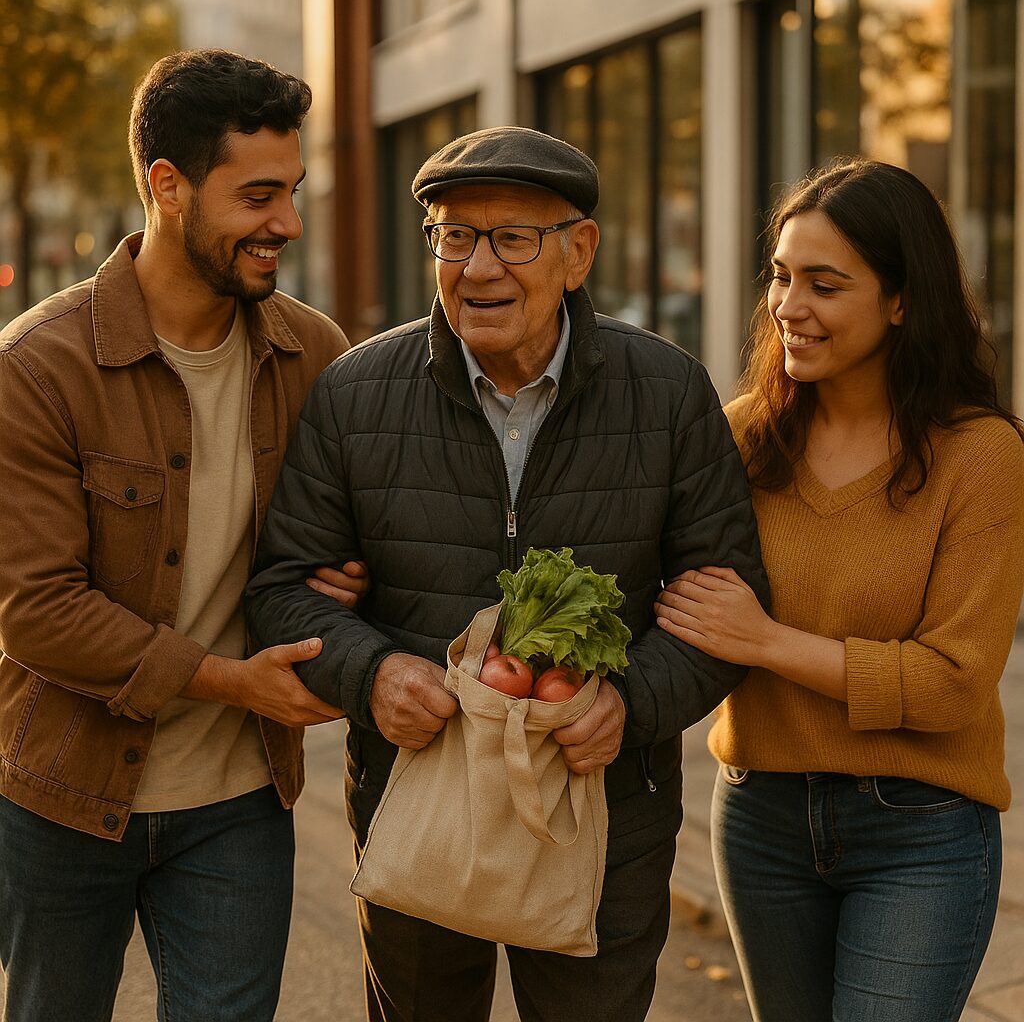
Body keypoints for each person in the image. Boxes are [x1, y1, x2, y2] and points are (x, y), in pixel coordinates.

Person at [244, 125, 769, 1022]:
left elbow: (727, 606)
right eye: (454, 237)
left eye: (513, 239)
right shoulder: (357, 393)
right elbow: (282, 591)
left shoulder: (669, 393)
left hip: (601, 814)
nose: (478, 268)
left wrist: (630, 702)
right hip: (418, 805)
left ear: (579, 252)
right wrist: (372, 674)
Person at [0, 49, 366, 1022]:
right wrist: (231, 680)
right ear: (167, 187)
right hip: (60, 793)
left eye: (291, 192)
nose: (287, 223)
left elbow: (353, 539)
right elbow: (36, 613)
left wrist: (348, 587)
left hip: (238, 800)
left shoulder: (315, 354)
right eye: (258, 196)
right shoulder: (37, 368)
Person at [654, 158, 1024, 1022]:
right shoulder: (744, 436)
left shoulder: (982, 456)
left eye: (825, 285)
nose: (789, 306)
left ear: (902, 300)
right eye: (780, 277)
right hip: (760, 816)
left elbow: (953, 683)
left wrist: (765, 641)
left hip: (921, 828)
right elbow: (644, 579)